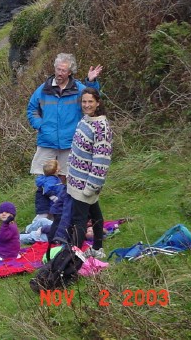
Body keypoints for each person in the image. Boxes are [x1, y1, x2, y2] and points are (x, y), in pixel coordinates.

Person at [27, 53, 103, 180]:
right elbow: (32, 109)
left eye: (64, 70)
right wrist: (40, 125)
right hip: (46, 141)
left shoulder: (78, 89)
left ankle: (63, 200)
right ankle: (45, 200)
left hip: (70, 142)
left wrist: (91, 82)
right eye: (58, 69)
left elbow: (92, 100)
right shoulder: (43, 89)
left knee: (66, 179)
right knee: (42, 177)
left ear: (70, 72)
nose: (60, 73)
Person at [66, 87, 113, 258]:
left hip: (86, 183)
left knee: (79, 221)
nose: (86, 105)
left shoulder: (102, 128)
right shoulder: (85, 120)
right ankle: (97, 249)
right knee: (95, 213)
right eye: (84, 101)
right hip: (75, 179)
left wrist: (92, 186)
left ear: (98, 103)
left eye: (90, 102)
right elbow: (76, 149)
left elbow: (101, 160)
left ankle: (73, 257)